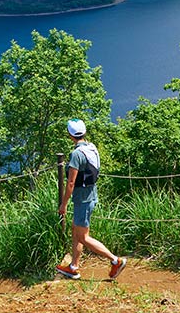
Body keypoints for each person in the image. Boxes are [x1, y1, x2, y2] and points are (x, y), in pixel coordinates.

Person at [56, 118, 127, 280]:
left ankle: (116, 261)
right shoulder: (91, 147)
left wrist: (64, 204)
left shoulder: (76, 154)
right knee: (76, 230)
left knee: (83, 237)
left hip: (82, 199)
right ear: (84, 132)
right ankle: (73, 267)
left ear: (69, 135)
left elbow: (71, 182)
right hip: (91, 195)